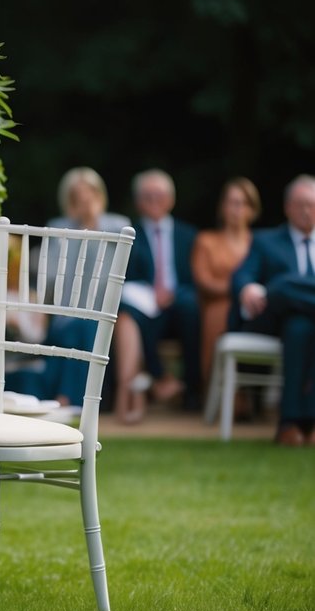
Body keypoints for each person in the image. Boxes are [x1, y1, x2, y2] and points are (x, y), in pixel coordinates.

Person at [30, 168, 132, 407]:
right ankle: (73, 400)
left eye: (89, 194)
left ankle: (66, 399)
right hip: (66, 312)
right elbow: (51, 276)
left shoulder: (119, 226)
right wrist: (80, 230)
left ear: (99, 195)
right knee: (75, 328)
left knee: (85, 326)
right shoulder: (58, 227)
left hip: (104, 311)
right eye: (77, 197)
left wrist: (93, 226)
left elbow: (117, 270)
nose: (84, 201)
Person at [230, 174, 315, 446]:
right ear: (288, 207)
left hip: (302, 324)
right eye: (301, 204)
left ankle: (293, 423)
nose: (307, 211)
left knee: (300, 326)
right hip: (269, 317)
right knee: (281, 288)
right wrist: (247, 288)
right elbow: (242, 274)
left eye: (312, 205)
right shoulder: (265, 240)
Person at [117, 169, 202, 417]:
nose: (154, 200)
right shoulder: (129, 235)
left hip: (180, 302)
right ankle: (159, 379)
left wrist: (171, 294)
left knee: (190, 306)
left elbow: (195, 278)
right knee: (131, 314)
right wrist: (151, 293)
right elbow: (126, 277)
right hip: (146, 306)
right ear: (138, 201)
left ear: (171, 199)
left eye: (160, 195)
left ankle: (192, 390)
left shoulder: (189, 235)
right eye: (148, 196)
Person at [191, 178, 260, 390]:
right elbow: (203, 281)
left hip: (255, 306)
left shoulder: (261, 243)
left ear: (252, 209)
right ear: (222, 207)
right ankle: (219, 389)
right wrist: (240, 292)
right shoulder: (206, 240)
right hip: (217, 305)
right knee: (221, 311)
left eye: (242, 203)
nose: (237, 209)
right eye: (232, 202)